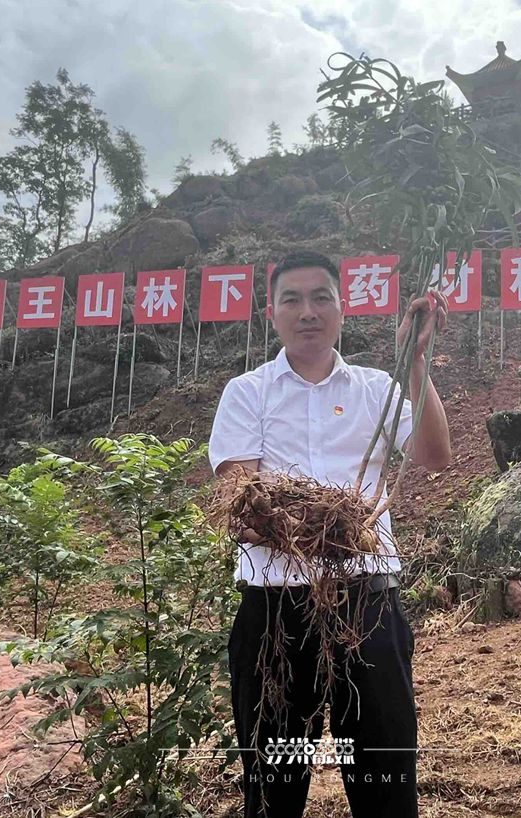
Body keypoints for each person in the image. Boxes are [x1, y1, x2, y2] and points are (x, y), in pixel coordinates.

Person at [208, 250, 450, 817]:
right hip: (275, 612)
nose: (308, 312)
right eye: (292, 299)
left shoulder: (376, 388)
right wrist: (329, 526)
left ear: (343, 309)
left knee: (384, 776)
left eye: (322, 298)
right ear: (271, 313)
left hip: (367, 606)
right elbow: (242, 500)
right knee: (274, 783)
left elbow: (435, 455)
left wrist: (415, 362)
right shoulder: (247, 393)